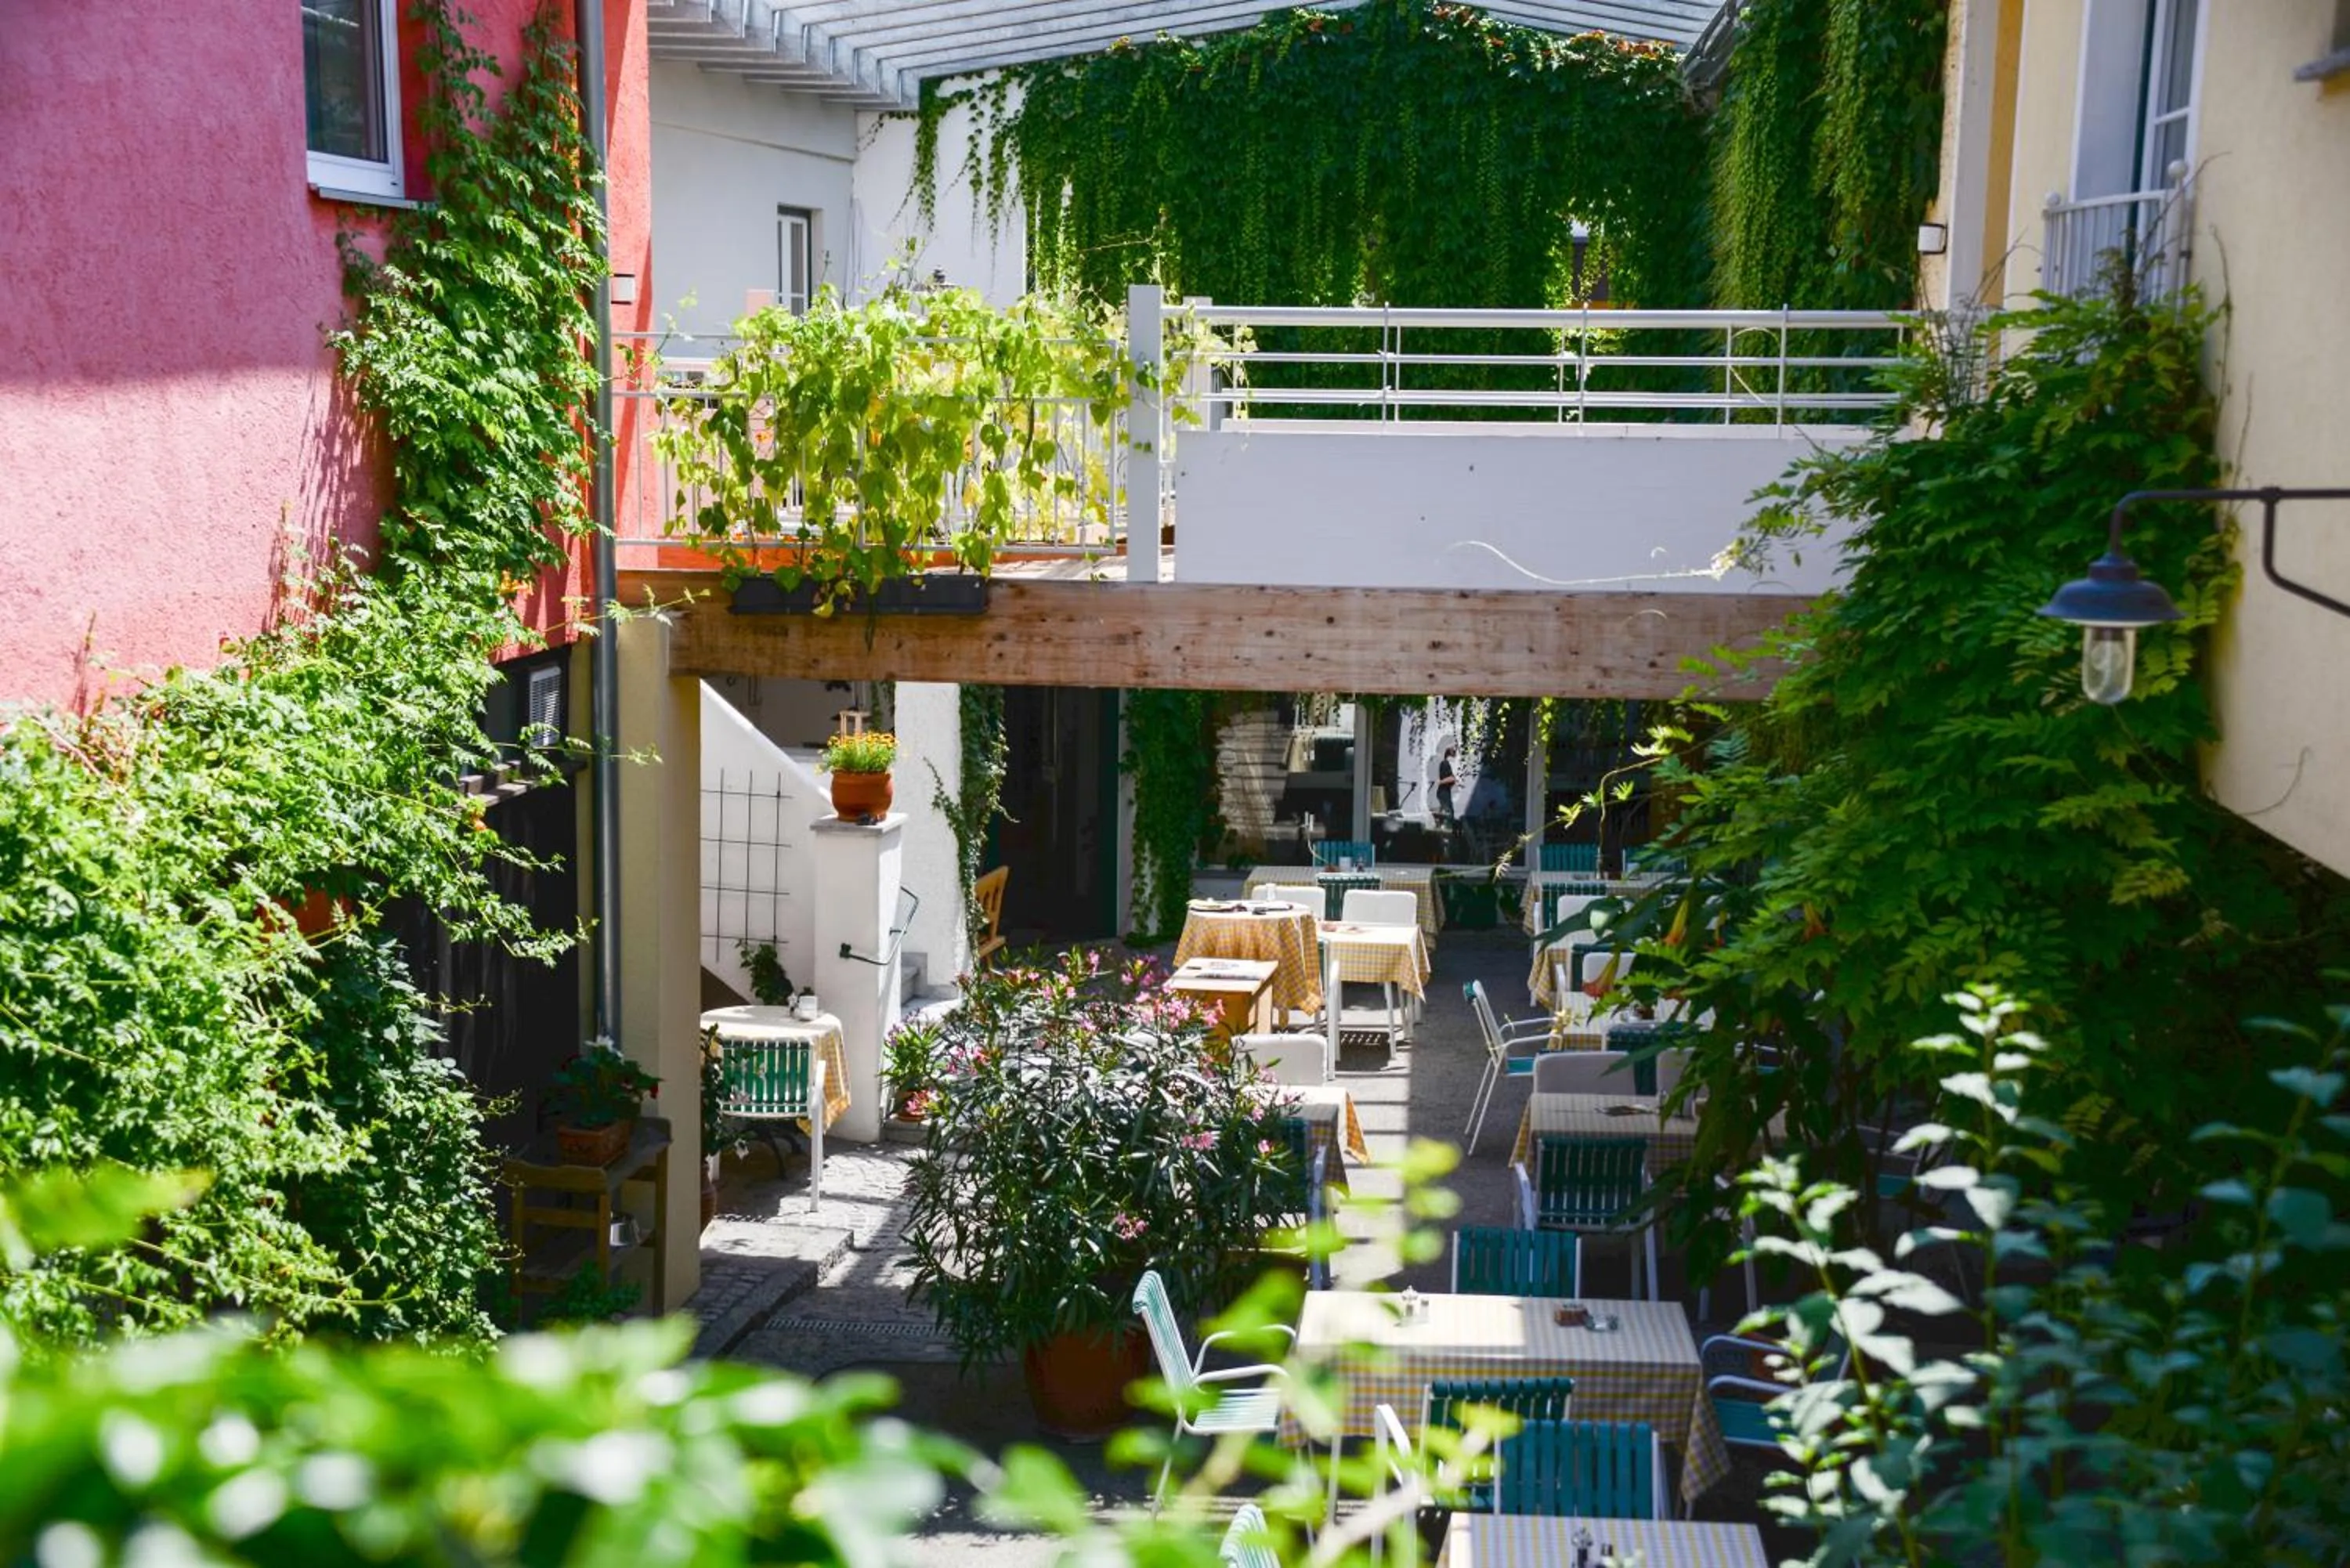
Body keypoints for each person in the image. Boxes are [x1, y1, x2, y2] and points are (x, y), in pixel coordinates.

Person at [1434, 746, 1459, 824]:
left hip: (1445, 792)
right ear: (1450, 754)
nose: (1456, 755)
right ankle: (1447, 831)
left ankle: (1439, 825)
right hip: (1443, 792)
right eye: (1454, 752)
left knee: (1444, 813)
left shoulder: (1448, 764)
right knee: (1449, 813)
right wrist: (1452, 779)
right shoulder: (1445, 764)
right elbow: (1450, 778)